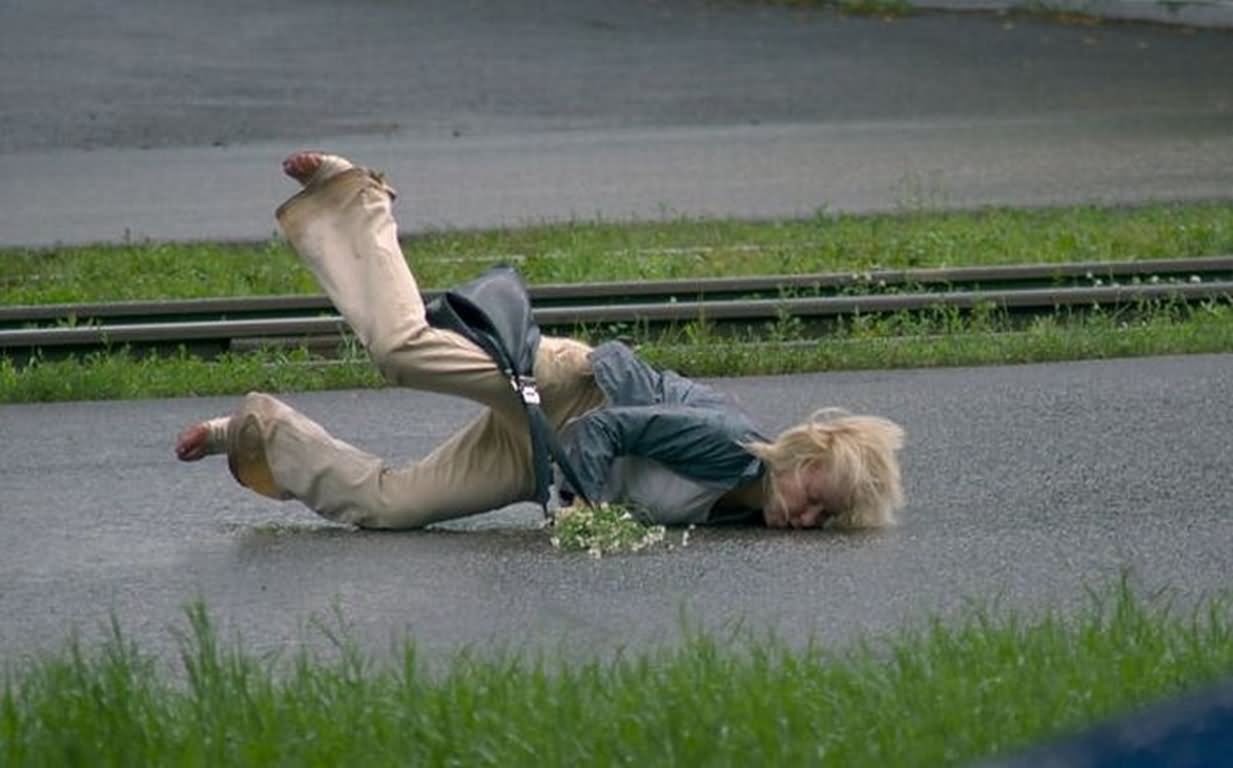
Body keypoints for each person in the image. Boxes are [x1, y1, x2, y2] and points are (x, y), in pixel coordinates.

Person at [175, 152, 906, 531]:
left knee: (392, 507)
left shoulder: (750, 510)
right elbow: (609, 429)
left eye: (824, 518)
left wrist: (571, 499)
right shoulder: (732, 447)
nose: (805, 519)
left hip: (545, 453)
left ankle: (255, 433)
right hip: (565, 393)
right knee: (399, 353)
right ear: (801, 455)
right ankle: (353, 195)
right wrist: (579, 509)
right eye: (814, 497)